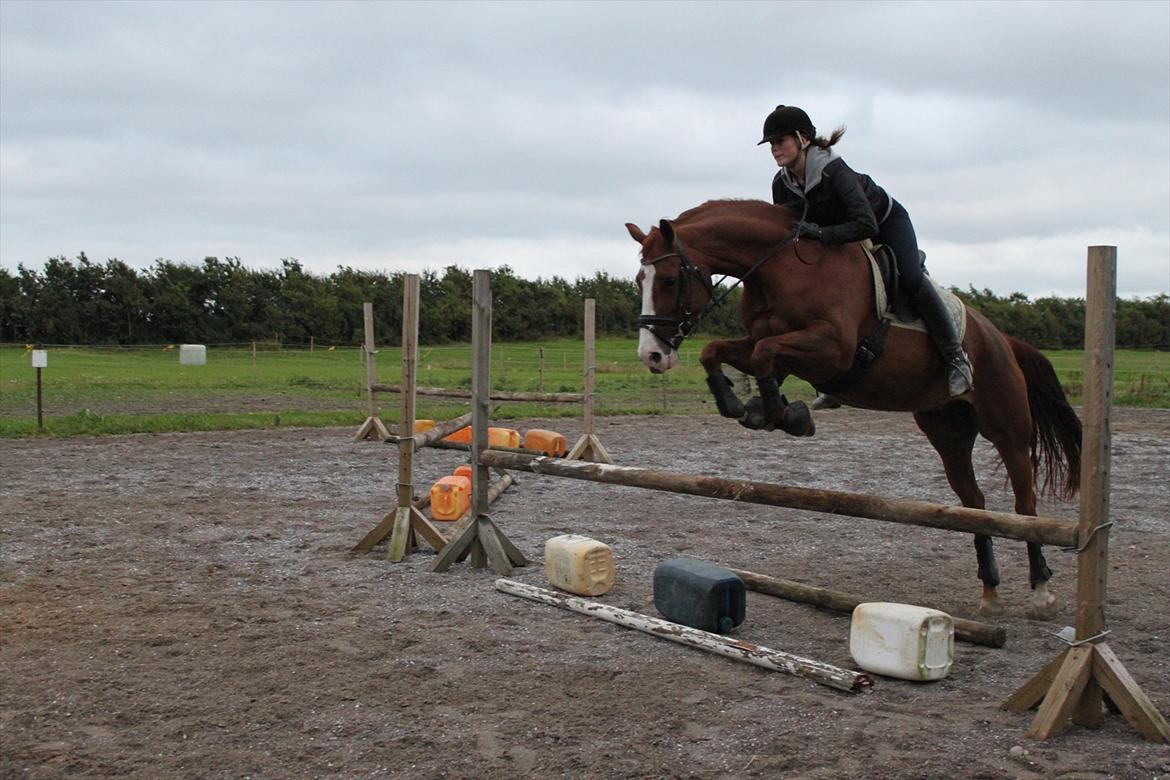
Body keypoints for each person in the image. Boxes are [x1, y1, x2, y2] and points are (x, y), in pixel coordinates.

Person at [759, 104, 973, 397]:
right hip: (839, 235)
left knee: (910, 277)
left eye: (780, 141)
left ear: (803, 139)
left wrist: (820, 234)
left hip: (884, 221)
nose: (774, 148)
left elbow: (866, 225)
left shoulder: (834, 171)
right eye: (771, 143)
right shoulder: (782, 184)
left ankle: (956, 359)